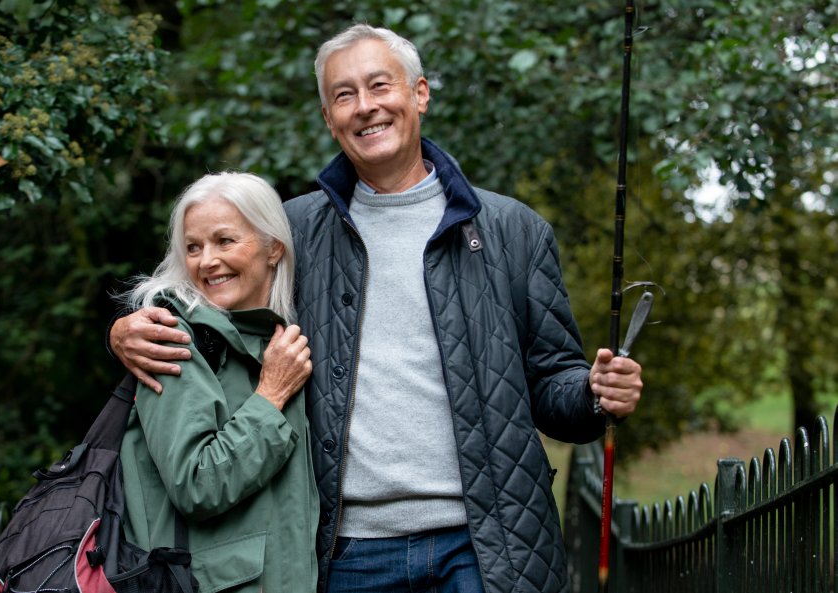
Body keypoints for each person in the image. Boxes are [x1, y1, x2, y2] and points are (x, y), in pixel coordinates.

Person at [110, 24, 643, 593]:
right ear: (328, 117)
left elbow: (553, 385)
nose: (365, 106)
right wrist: (126, 328)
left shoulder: (514, 231)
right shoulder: (292, 231)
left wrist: (594, 393)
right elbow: (207, 295)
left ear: (420, 93)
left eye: (380, 85)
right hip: (343, 552)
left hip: (485, 548)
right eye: (344, 95)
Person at [116, 171, 318, 593]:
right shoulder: (169, 338)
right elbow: (196, 483)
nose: (206, 261)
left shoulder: (280, 337)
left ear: (273, 248)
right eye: (193, 247)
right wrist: (270, 397)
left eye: (224, 241)